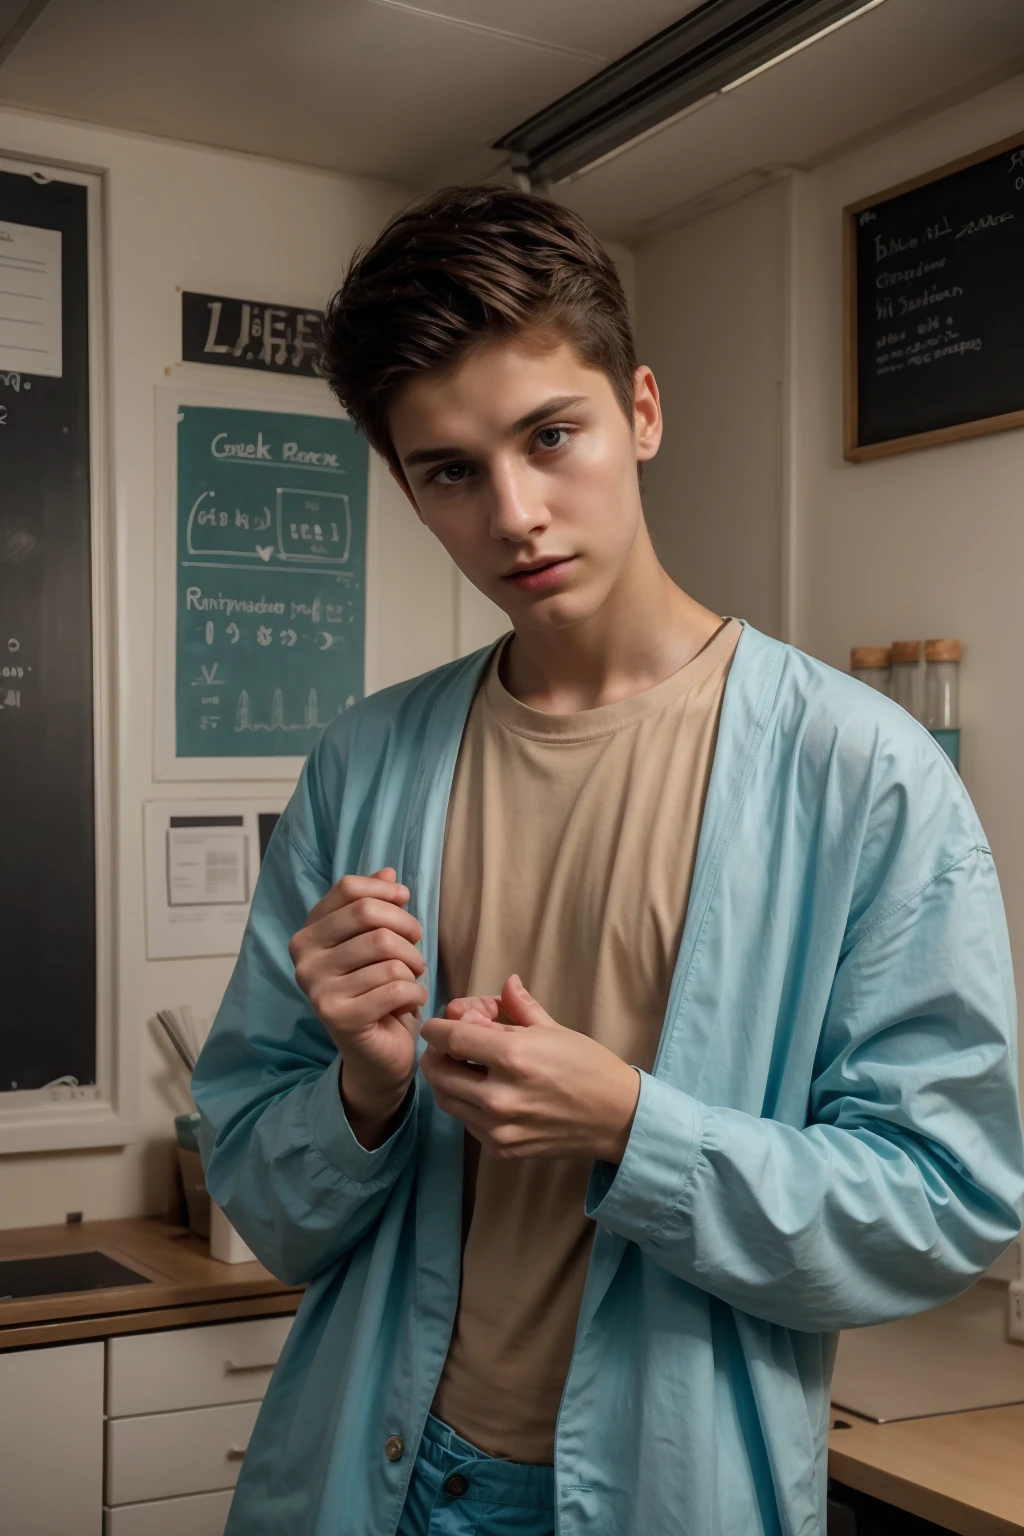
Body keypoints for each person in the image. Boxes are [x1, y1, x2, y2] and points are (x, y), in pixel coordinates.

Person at [191, 186, 1024, 1536]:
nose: (515, 513)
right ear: (408, 489)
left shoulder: (861, 772)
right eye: (451, 471)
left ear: (639, 410)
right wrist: (361, 1088)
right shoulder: (364, 764)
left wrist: (635, 1130)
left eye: (550, 436)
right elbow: (268, 1205)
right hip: (372, 1474)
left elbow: (944, 1203)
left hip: (662, 1491)